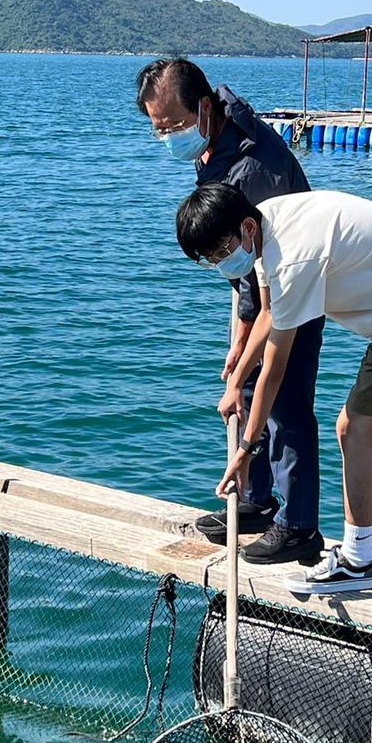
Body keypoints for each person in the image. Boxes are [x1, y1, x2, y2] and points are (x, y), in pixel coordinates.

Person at [177, 184, 372, 596]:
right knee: (370, 424)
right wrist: (236, 380)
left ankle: (357, 561)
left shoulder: (292, 256)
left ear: (245, 228)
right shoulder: (265, 223)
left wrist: (245, 450)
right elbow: (269, 312)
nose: (222, 262)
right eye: (211, 259)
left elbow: (274, 369)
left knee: (354, 427)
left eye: (223, 251)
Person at [136, 58, 325, 565]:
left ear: (203, 108)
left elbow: (262, 264)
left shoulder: (254, 168)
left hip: (293, 286)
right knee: (247, 389)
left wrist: (243, 343)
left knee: (284, 403)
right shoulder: (216, 139)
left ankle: (299, 524)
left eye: (173, 125)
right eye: (158, 129)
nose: (168, 137)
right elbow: (241, 266)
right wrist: (240, 342)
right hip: (255, 284)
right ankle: (256, 500)